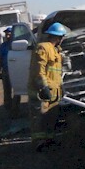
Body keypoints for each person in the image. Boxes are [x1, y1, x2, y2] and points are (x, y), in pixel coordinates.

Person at [28, 22, 67, 151]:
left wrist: (60, 88)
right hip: (41, 92)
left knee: (51, 117)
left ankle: (49, 140)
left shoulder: (56, 51)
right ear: (58, 37)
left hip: (54, 92)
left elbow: (56, 74)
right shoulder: (43, 48)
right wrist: (43, 87)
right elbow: (38, 71)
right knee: (40, 118)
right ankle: (39, 143)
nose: (62, 40)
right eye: (61, 37)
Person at [0, 27, 13, 110]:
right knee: (7, 91)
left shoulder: (16, 44)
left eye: (9, 34)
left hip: (15, 71)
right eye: (7, 34)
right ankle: (8, 108)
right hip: (6, 71)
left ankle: (16, 107)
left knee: (17, 92)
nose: (8, 36)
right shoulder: (3, 46)